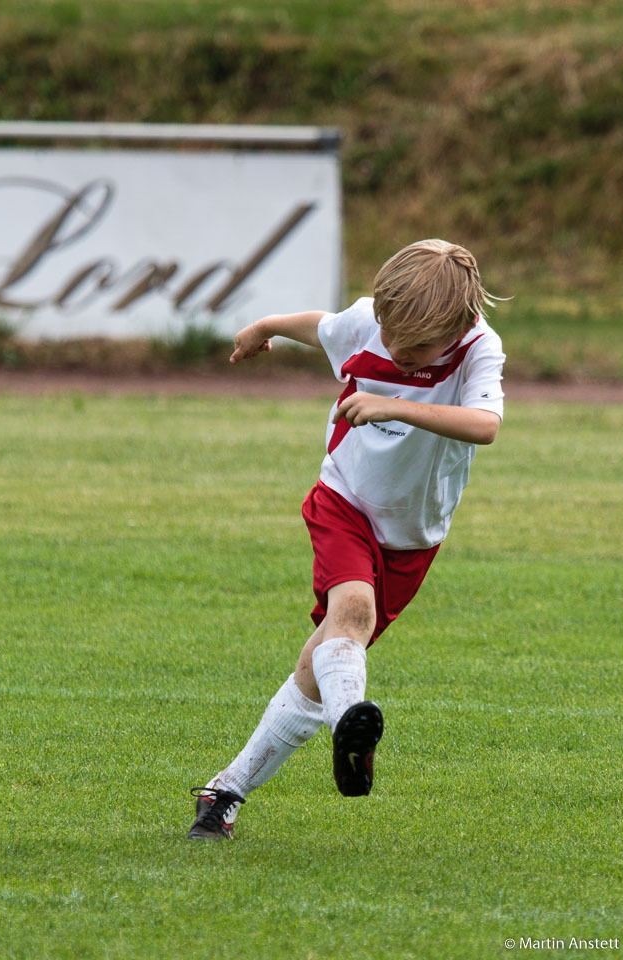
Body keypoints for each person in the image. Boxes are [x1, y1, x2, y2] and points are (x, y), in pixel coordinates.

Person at [188, 238, 506, 840]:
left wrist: (394, 404)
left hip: (412, 536)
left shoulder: (478, 348)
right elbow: (324, 327)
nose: (395, 348)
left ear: (459, 324)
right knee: (352, 612)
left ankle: (225, 792)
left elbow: (484, 425)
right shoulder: (372, 321)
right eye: (389, 335)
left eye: (412, 348)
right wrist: (264, 326)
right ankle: (349, 729)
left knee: (323, 663)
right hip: (344, 500)